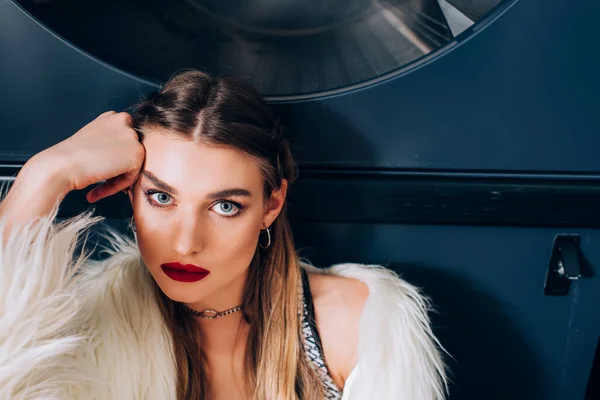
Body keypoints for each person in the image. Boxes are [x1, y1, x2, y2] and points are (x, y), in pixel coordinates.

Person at [0, 70, 447, 400]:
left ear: (271, 205)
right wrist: (44, 176)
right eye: (161, 198)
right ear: (132, 196)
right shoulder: (87, 326)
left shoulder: (357, 326)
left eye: (224, 206)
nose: (186, 241)